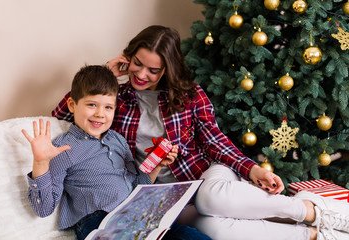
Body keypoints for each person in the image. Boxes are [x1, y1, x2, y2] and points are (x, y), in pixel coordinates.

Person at [52, 25, 349, 240]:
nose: (141, 75)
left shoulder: (190, 95)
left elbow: (215, 140)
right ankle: (314, 236)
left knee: (209, 199)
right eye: (137, 64)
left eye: (153, 70)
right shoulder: (117, 98)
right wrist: (106, 72)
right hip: (163, 194)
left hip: (206, 176)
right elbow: (65, 114)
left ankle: (314, 211)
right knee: (211, 230)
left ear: (167, 69)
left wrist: (253, 168)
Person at [22, 65, 179, 240]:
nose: (100, 114)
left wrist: (157, 165)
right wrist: (40, 163)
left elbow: (138, 187)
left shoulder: (118, 140)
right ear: (73, 105)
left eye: (108, 107)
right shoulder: (63, 148)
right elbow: (44, 208)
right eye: (91, 104)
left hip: (134, 215)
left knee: (188, 234)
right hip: (96, 221)